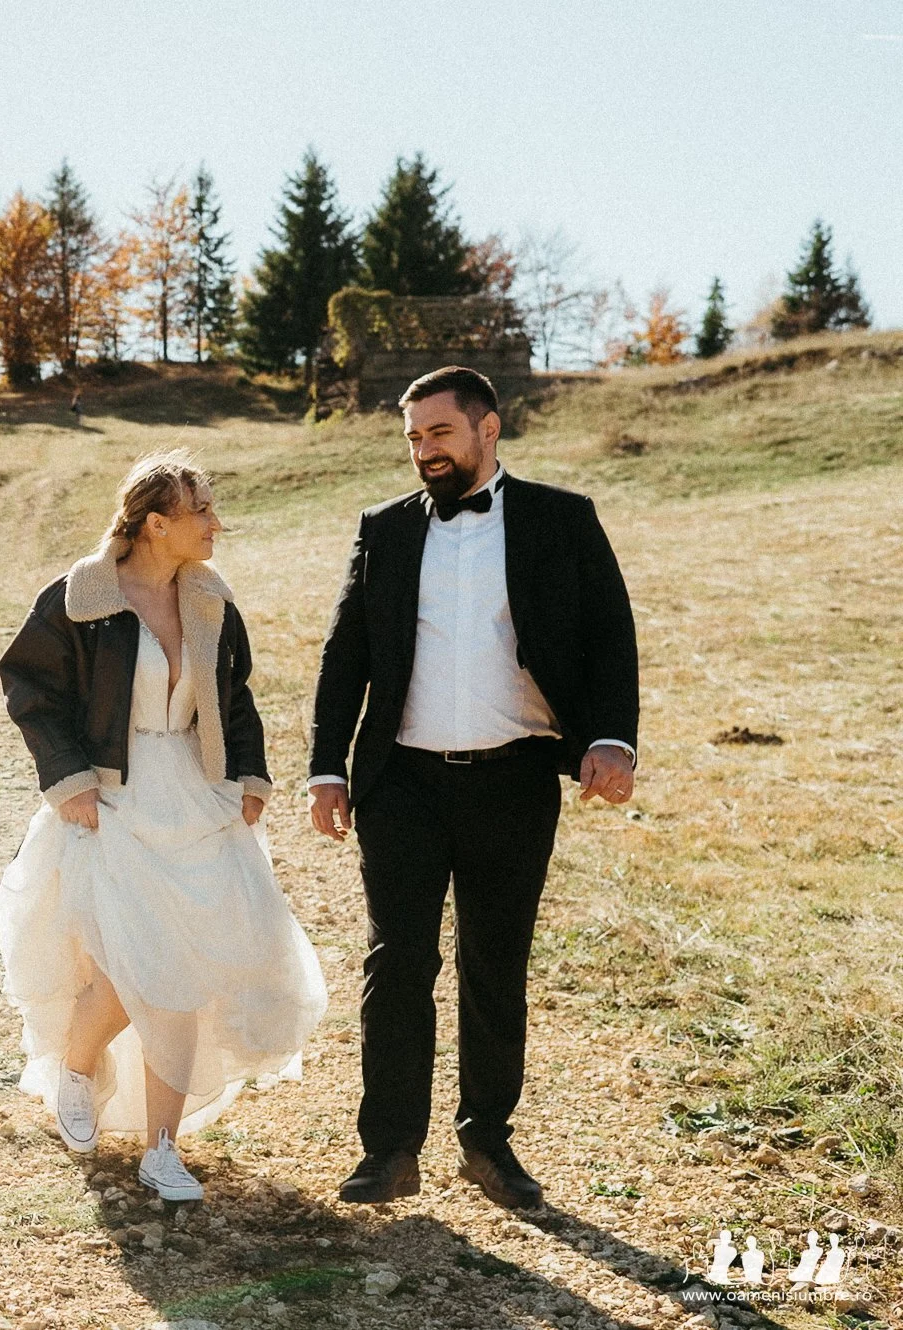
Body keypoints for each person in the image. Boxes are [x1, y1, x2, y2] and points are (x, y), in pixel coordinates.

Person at [307, 365, 639, 1209]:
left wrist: (609, 740)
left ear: (488, 430)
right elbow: (344, 654)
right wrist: (327, 767)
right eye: (414, 437)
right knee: (397, 962)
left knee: (497, 964)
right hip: (402, 785)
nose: (423, 450)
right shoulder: (383, 529)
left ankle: (487, 1141)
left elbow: (610, 636)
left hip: (517, 778)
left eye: (439, 433)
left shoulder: (562, 521)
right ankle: (389, 1151)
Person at [0, 451, 327, 1201]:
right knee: (130, 963)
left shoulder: (210, 598)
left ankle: (163, 1149)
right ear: (156, 523)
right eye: (202, 509)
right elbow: (30, 688)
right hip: (112, 795)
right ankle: (77, 1071)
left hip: (196, 792)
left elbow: (235, 698)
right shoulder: (80, 598)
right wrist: (67, 779)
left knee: (188, 973)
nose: (217, 522)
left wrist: (249, 775)